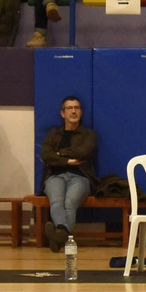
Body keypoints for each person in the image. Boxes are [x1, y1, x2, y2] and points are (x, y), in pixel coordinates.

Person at [41, 95, 97, 252]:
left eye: (77, 108)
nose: (74, 111)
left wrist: (59, 154)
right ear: (62, 113)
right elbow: (45, 154)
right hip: (55, 176)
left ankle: (59, 236)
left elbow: (83, 152)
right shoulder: (53, 133)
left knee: (70, 203)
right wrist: (67, 161)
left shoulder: (89, 135)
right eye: (70, 108)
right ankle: (62, 237)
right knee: (57, 202)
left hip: (80, 177)